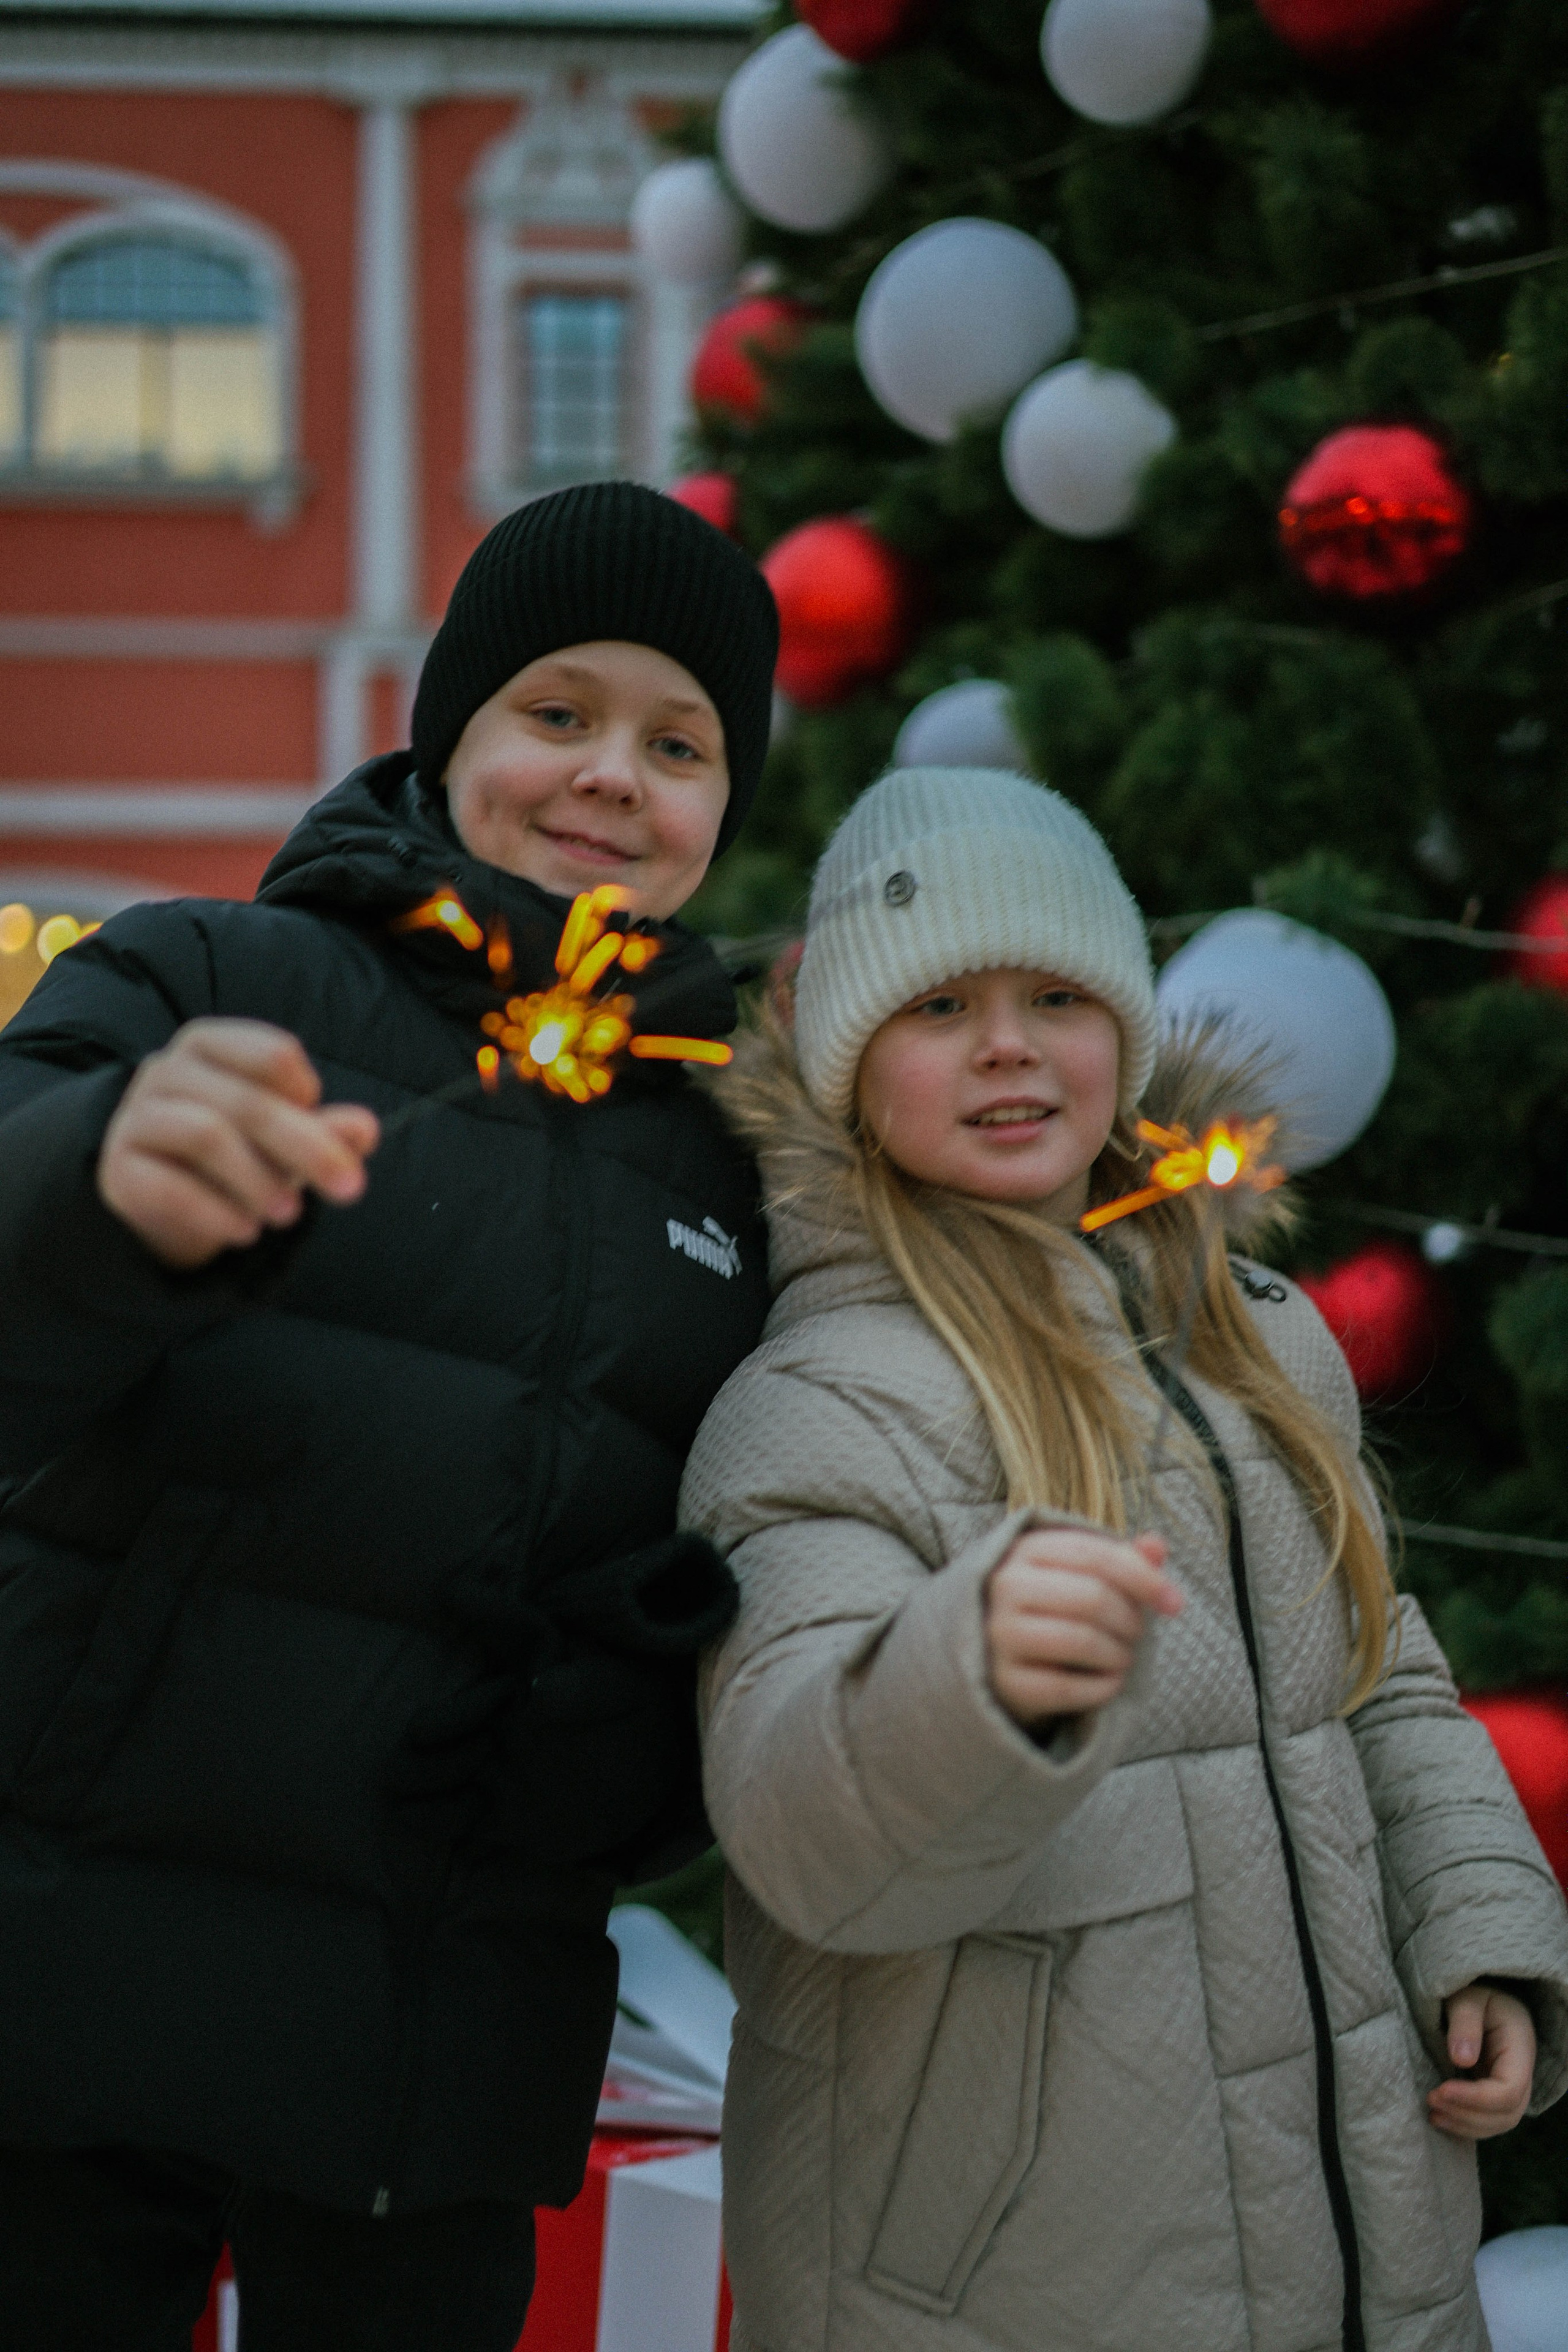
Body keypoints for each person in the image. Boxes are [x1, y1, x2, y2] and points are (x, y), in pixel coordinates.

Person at [0, 481, 778, 2351]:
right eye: (559, 713)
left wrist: (631, 1729)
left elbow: (747, 1546)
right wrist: (102, 1187)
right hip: (63, 2003)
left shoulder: (744, 1161)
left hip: (433, 2060)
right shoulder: (207, 976)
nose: (611, 777)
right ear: (453, 734)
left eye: (679, 744)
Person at [680, 766, 1568, 2352]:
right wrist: (965, 1680)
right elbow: (802, 1824)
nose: (1009, 1042)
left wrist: (1472, 1922)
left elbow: (1376, 1666)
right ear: (849, 1063)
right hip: (1018, 2275)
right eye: (942, 1001)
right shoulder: (815, 1407)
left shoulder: (1257, 1344)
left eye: (1057, 995)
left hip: (1364, 2224)